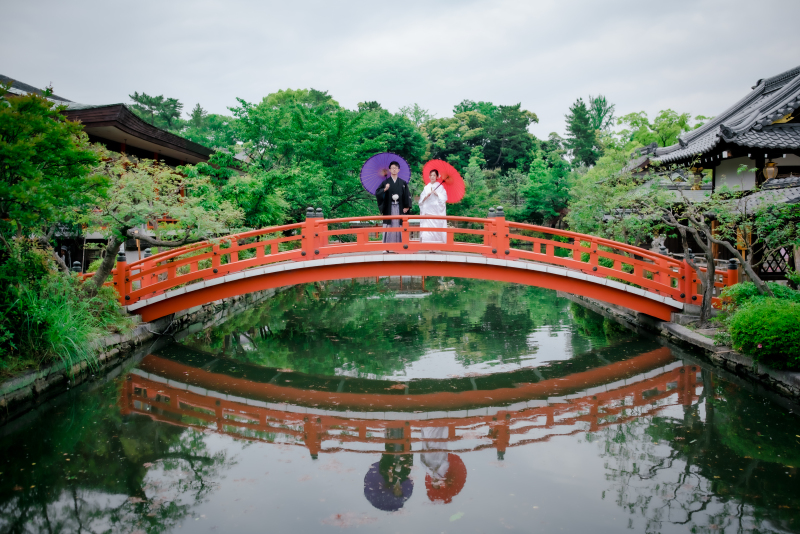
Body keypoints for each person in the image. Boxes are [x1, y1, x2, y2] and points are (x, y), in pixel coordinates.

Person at [375, 161, 411, 248]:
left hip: (400, 207)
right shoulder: (385, 183)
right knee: (389, 226)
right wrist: (384, 189)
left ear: (398, 170)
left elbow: (407, 195)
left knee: (400, 225)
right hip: (389, 208)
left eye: (396, 168)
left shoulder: (402, 183)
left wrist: (407, 206)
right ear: (390, 170)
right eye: (392, 168)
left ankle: (400, 246)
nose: (394, 170)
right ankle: (387, 247)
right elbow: (377, 193)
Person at [418, 169, 448, 244]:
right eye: (431, 175)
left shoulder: (440, 187)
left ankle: (436, 246)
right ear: (429, 176)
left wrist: (437, 194)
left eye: (434, 175)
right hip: (427, 211)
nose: (432, 177)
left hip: (436, 212)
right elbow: (421, 200)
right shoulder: (426, 187)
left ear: (437, 177)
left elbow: (444, 198)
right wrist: (426, 196)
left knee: (435, 230)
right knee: (426, 230)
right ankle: (426, 245)